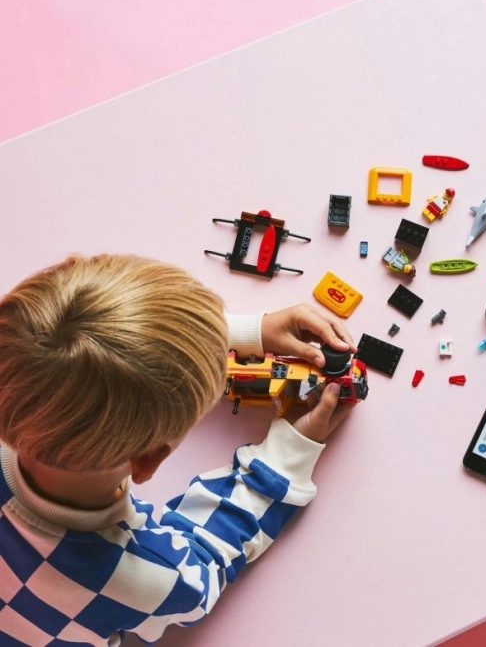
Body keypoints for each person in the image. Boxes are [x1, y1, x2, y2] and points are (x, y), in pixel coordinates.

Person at [0, 254, 357, 646]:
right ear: (150, 459)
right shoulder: (145, 577)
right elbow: (207, 561)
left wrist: (225, 335)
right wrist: (290, 451)